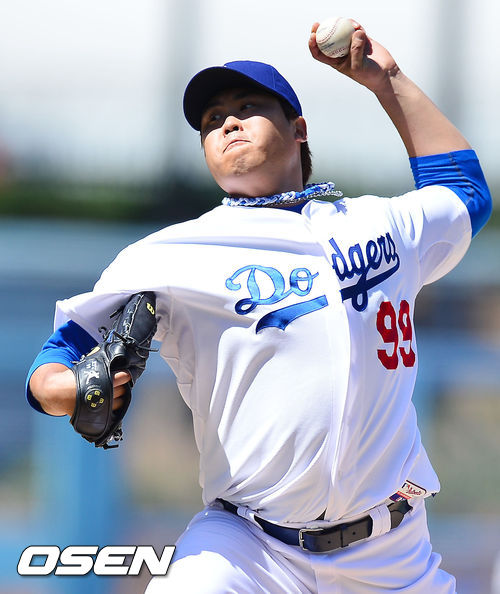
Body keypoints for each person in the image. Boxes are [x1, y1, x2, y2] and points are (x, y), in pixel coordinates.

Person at [27, 19, 491, 593]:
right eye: (210, 121)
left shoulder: (382, 223)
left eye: (247, 107)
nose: (227, 123)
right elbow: (57, 356)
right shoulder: (170, 254)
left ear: (298, 129)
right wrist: (60, 389)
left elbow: (465, 192)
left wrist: (387, 79)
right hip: (249, 548)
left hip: (391, 554)